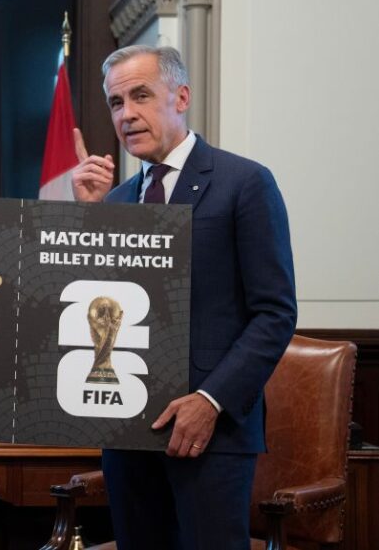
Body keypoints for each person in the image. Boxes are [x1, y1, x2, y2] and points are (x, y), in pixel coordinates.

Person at [72, 45, 297, 549]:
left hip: (210, 434)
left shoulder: (245, 183)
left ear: (181, 96)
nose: (126, 114)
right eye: (115, 103)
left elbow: (275, 313)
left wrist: (210, 400)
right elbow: (100, 312)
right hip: (129, 432)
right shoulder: (115, 200)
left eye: (141, 96)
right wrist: (86, 222)